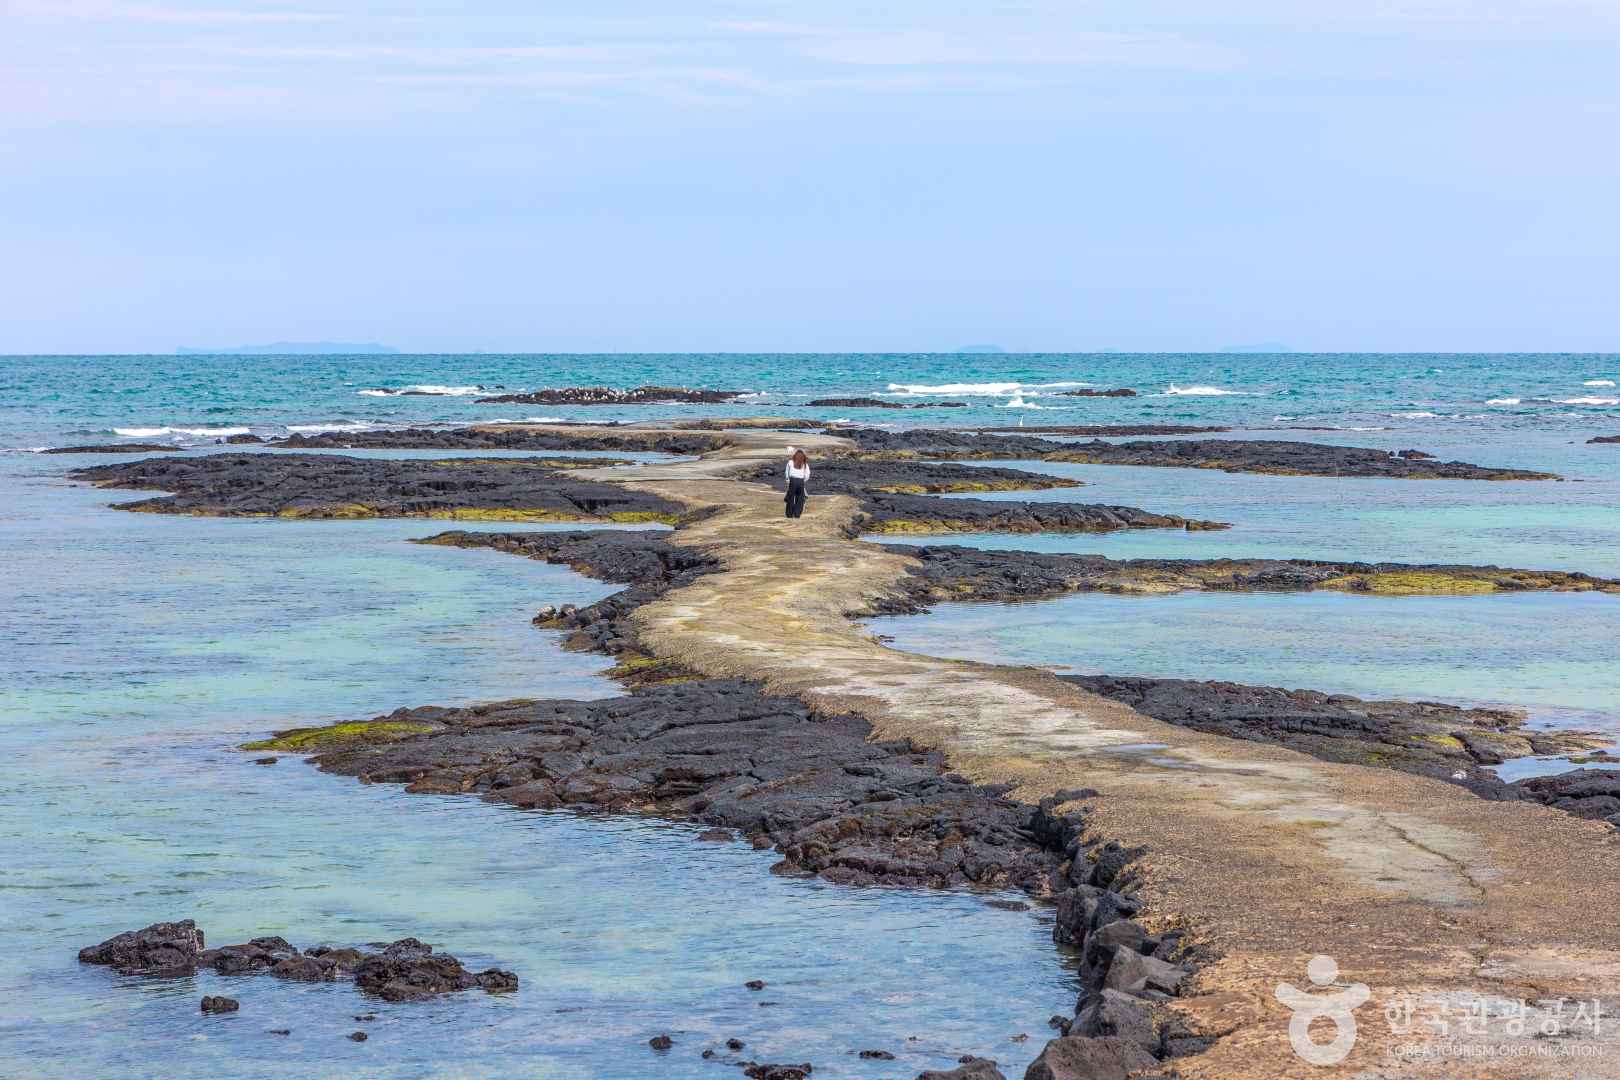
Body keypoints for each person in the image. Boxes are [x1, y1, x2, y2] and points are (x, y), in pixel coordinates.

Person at [784, 447, 810, 519]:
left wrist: (788, 480)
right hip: (801, 481)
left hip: (793, 480)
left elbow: (787, 472)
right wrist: (803, 480)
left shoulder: (790, 462)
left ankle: (789, 514)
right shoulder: (805, 464)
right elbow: (807, 474)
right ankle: (797, 514)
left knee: (791, 497)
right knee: (800, 498)